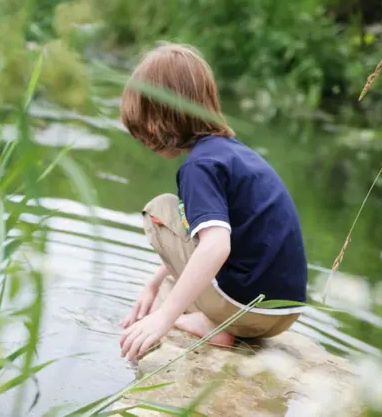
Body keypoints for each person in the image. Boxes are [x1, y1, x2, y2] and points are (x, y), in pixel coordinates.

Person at [118, 43, 308, 362]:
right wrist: (154, 283)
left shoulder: (198, 167)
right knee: (168, 287)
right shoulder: (234, 154)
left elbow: (216, 246)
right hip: (283, 312)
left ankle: (210, 323)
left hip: (244, 309)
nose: (143, 140)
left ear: (163, 116)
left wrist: (164, 319)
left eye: (143, 127)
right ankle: (200, 313)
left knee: (159, 211)